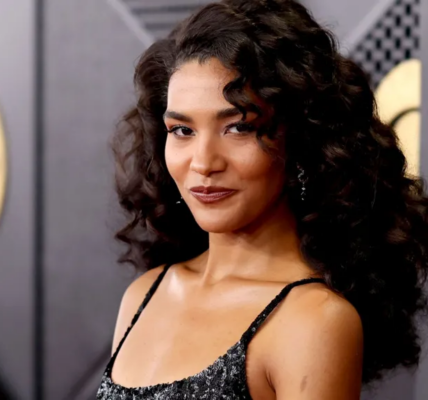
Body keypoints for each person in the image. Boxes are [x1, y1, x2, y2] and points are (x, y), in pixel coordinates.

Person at [96, 0, 428, 399]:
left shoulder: (313, 321)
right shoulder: (145, 294)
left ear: (301, 139)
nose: (203, 163)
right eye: (182, 131)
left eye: (239, 127)